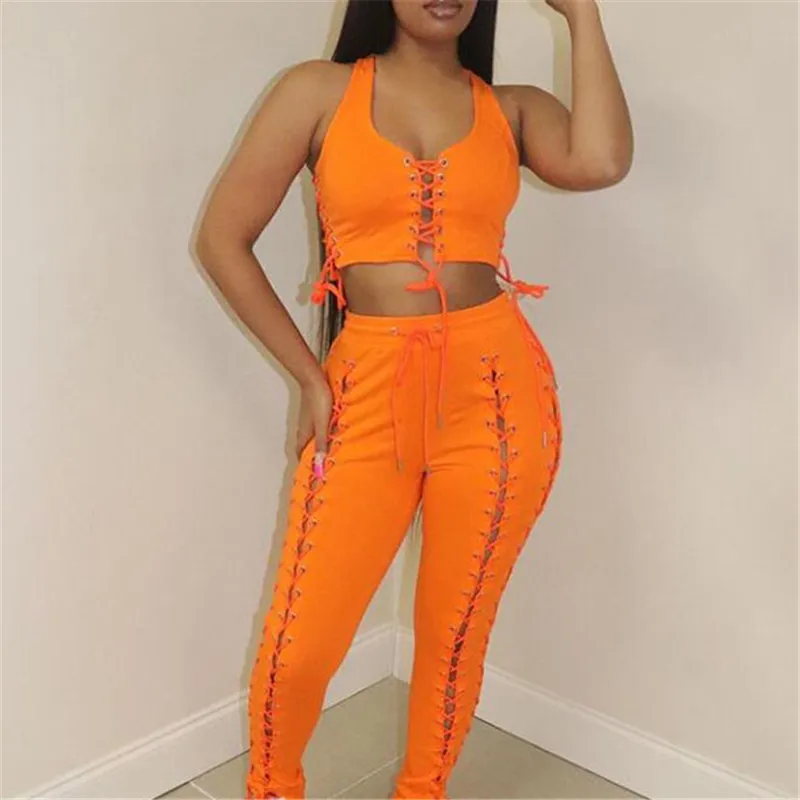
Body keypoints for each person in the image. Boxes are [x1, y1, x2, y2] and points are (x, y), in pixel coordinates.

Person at [195, 0, 632, 797]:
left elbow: (600, 160)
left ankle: (423, 790)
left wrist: (582, 14)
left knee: (454, 632)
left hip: (497, 397)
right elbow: (223, 237)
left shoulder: (512, 109)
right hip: (364, 390)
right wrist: (308, 375)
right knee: (300, 642)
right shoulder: (315, 91)